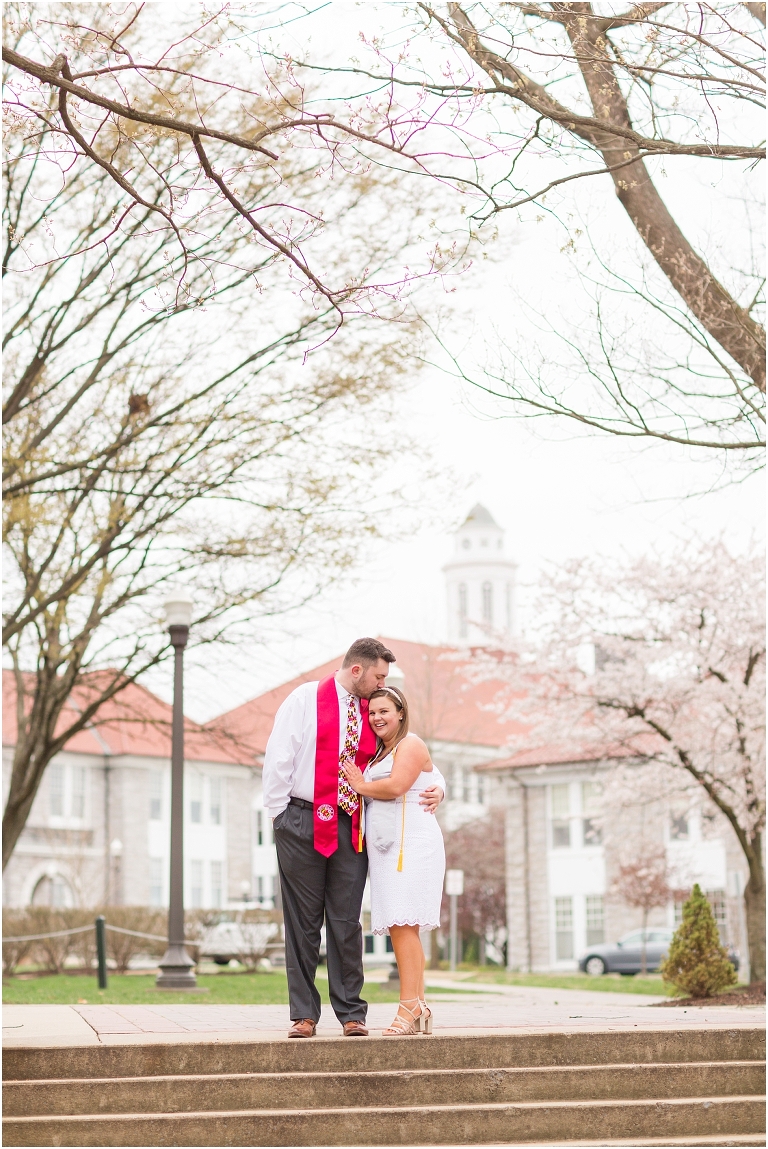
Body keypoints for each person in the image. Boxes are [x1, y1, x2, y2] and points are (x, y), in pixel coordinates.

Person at [262, 637, 444, 1038]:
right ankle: (304, 1015)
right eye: (379, 675)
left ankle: (351, 1013)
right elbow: (279, 755)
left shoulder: (373, 711)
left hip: (351, 823)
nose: (383, 683)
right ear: (358, 670)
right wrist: (280, 816)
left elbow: (404, 755)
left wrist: (439, 786)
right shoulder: (306, 698)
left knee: (346, 920)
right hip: (301, 818)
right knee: (302, 922)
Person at [343, 685, 446, 1036]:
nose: (376, 718)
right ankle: (417, 1004)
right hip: (387, 849)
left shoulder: (411, 743)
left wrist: (358, 784)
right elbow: (431, 777)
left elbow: (398, 785)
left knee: (404, 924)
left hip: (413, 844)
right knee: (402, 927)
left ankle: (408, 1007)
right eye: (372, 713)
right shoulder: (379, 752)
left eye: (384, 711)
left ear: (400, 712)